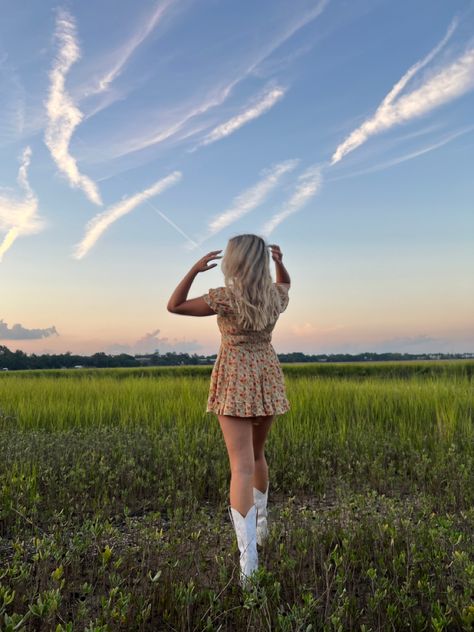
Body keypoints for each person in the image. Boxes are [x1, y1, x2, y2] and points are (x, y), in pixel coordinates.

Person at [167, 233, 291, 589]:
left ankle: (248, 560)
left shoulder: (225, 298)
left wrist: (193, 270)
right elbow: (285, 283)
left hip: (235, 376)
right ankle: (263, 527)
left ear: (233, 261)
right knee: (257, 456)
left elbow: (174, 306)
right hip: (266, 373)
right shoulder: (275, 296)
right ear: (261, 261)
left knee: (240, 467)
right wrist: (280, 262)